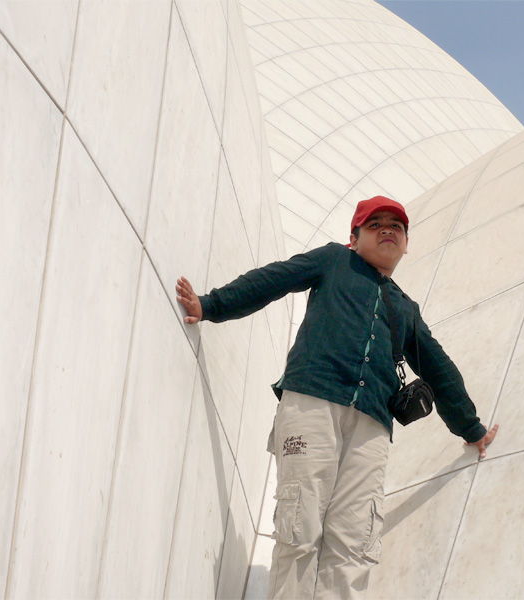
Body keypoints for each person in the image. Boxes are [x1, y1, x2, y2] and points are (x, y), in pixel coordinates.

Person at [176, 196, 498, 599]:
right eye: (375, 223)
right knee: (299, 529)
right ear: (353, 237)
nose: (387, 230)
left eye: (395, 226)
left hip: (371, 429)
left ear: (406, 242)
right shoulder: (333, 261)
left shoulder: (404, 307)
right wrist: (210, 305)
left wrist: (471, 428)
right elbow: (273, 279)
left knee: (354, 545)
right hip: (312, 403)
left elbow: (439, 369)